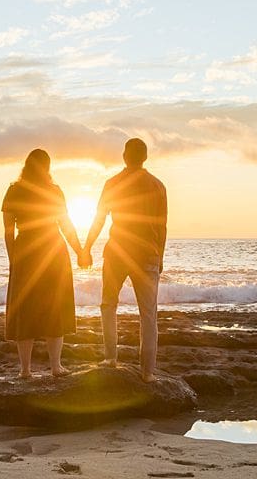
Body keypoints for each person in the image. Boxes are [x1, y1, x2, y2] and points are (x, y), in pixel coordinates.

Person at [81, 138, 168, 381]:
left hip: (118, 251)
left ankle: (110, 357)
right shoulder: (157, 186)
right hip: (147, 253)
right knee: (148, 313)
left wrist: (86, 247)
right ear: (145, 157)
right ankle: (147, 372)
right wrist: (160, 256)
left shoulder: (113, 183)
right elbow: (162, 227)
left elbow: (99, 219)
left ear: (124, 155)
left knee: (109, 303)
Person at [2, 148, 87, 379]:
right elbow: (66, 225)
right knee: (54, 308)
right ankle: (56, 367)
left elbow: (8, 231)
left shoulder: (14, 190)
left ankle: (25, 370)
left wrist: (13, 260)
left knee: (25, 310)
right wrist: (79, 250)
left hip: (26, 251)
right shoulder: (54, 191)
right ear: (48, 168)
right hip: (52, 249)